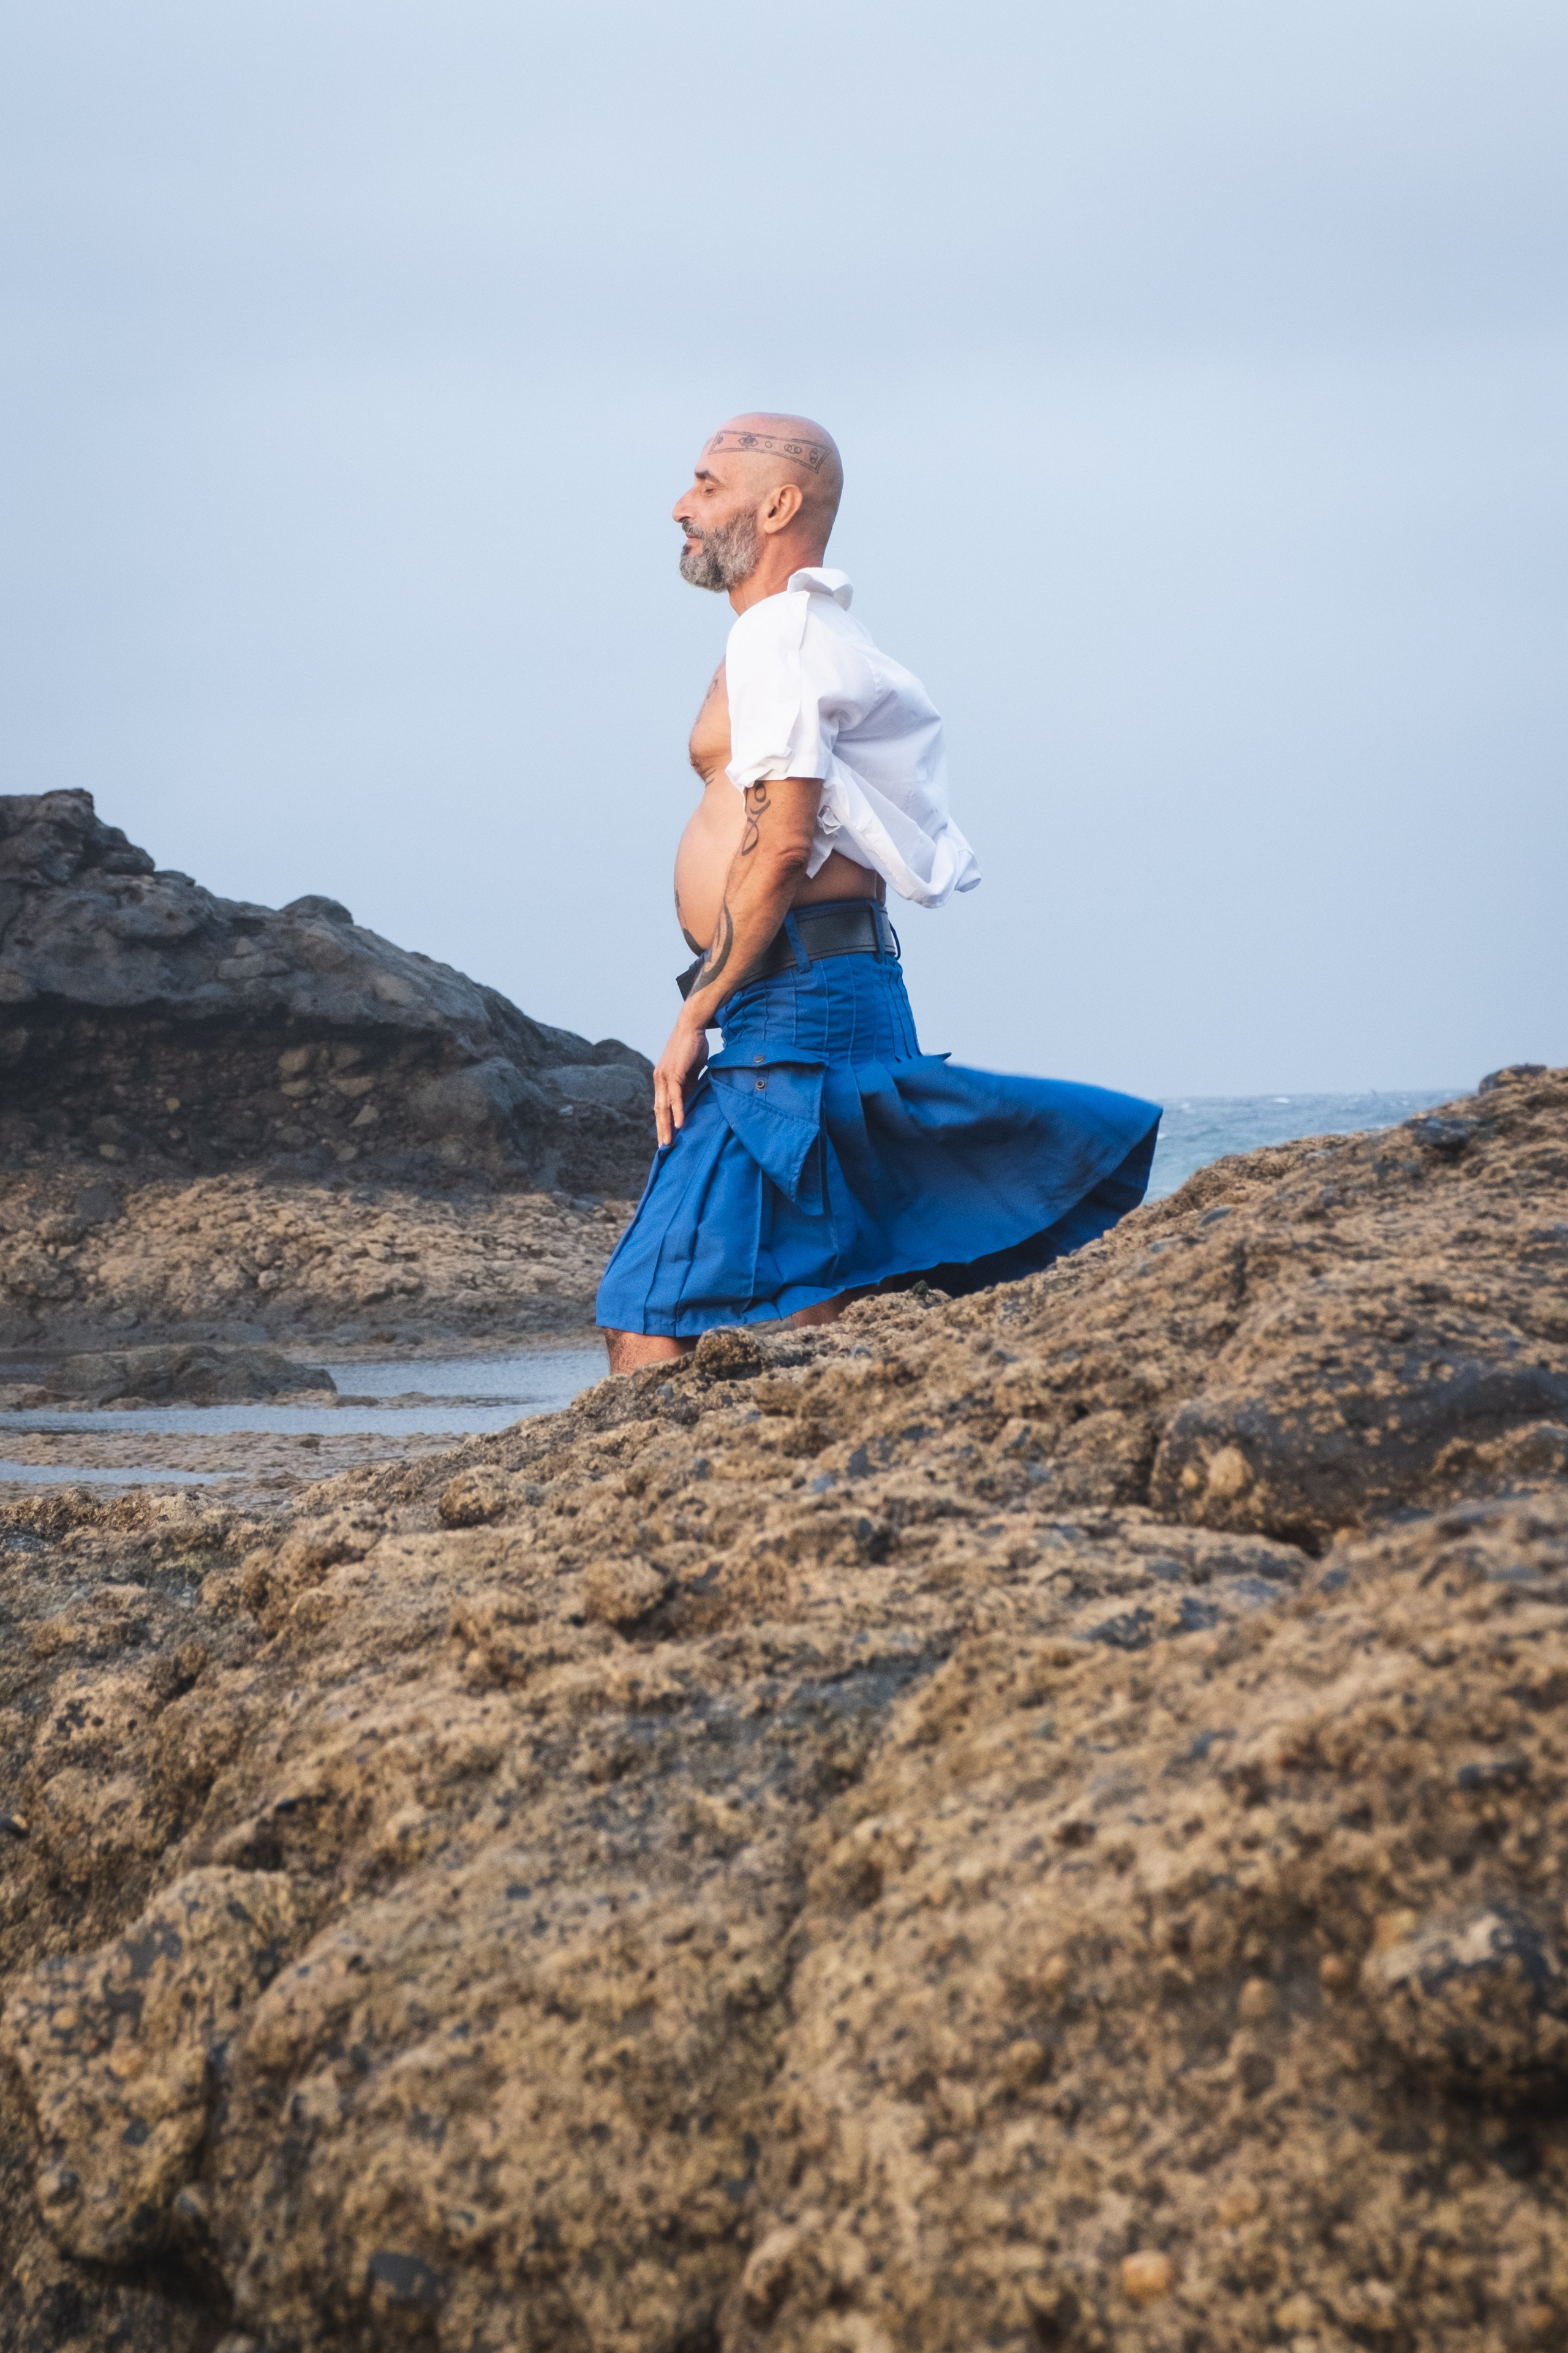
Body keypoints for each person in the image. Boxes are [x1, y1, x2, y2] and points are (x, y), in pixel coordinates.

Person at [597, 412, 1159, 1372]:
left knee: (655, 1305)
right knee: (820, 1284)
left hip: (794, 1008)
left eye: (705, 484)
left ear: (777, 505)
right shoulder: (808, 633)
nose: (680, 507)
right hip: (822, 993)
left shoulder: (779, 639)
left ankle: (690, 1511)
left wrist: (698, 1011)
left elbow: (777, 845)